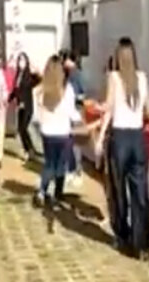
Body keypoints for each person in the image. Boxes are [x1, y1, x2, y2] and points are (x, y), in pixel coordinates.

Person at [96, 37, 149, 260]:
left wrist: (98, 112)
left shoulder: (114, 78)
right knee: (140, 192)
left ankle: (122, 234)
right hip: (138, 138)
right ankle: (141, 243)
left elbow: (108, 107)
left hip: (120, 138)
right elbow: (148, 110)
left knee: (118, 190)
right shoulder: (143, 78)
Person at [34, 55, 85, 208]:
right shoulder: (67, 90)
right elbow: (71, 112)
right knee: (61, 165)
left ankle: (42, 191)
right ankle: (58, 193)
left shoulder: (40, 90)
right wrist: (81, 121)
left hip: (47, 132)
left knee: (49, 164)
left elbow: (37, 116)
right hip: (63, 132)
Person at [60, 50, 86, 186]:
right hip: (69, 111)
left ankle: (78, 170)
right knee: (69, 142)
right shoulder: (67, 74)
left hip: (76, 110)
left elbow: (83, 93)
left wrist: (73, 97)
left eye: (65, 59)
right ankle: (70, 169)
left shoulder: (77, 74)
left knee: (76, 143)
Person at [10, 52, 40, 161]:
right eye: (19, 60)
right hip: (20, 106)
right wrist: (9, 99)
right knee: (20, 129)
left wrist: (35, 69)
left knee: (24, 127)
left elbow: (38, 79)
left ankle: (30, 149)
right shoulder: (18, 75)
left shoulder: (29, 76)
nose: (20, 62)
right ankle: (28, 150)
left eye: (22, 60)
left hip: (27, 106)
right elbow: (15, 90)